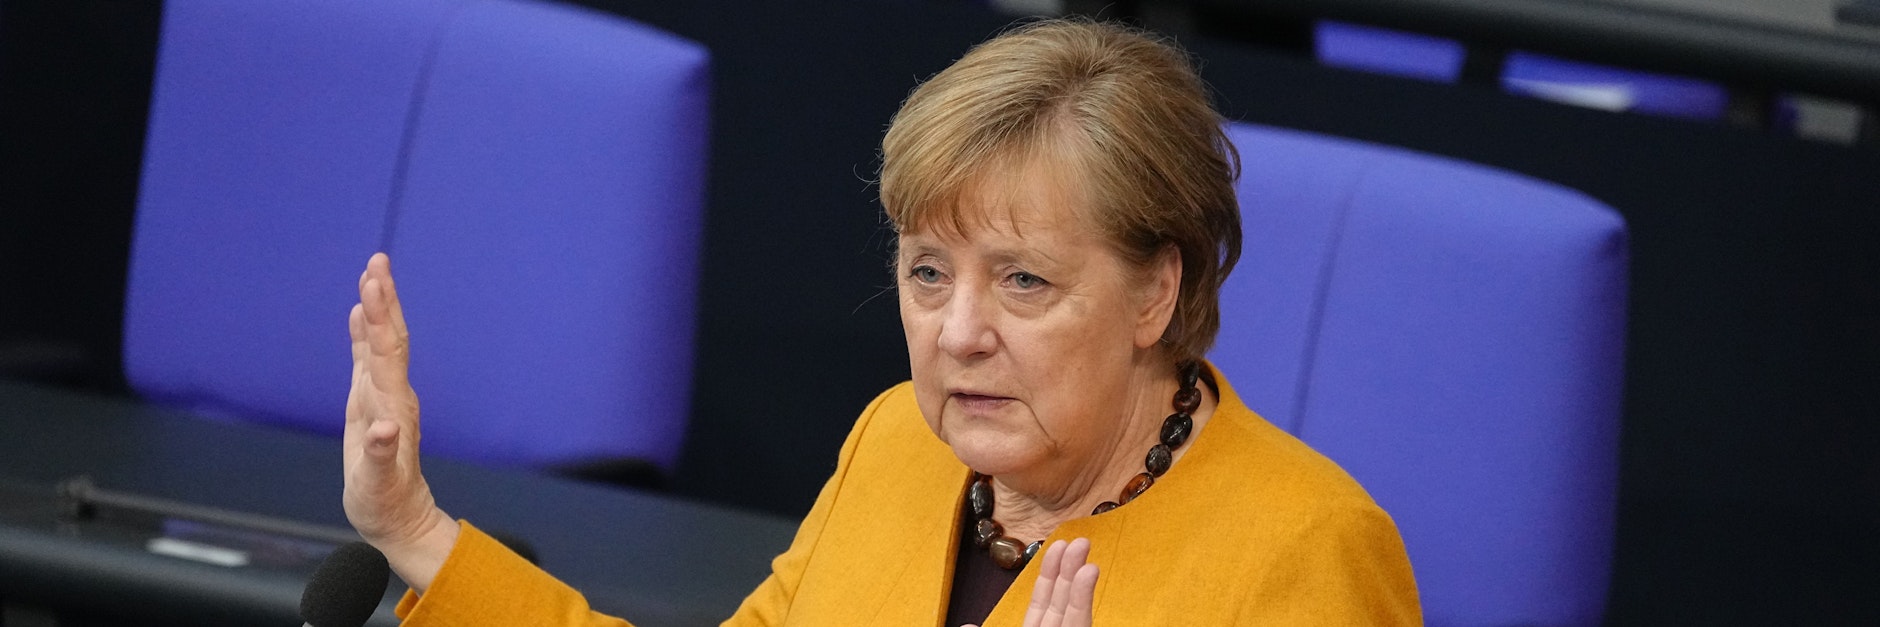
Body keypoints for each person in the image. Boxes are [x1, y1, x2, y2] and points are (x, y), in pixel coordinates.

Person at [343, 18, 1420, 626]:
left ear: (1155, 294)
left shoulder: (1306, 558)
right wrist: (416, 533)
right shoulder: (898, 444)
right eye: (926, 272)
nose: (956, 333)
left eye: (1023, 283)